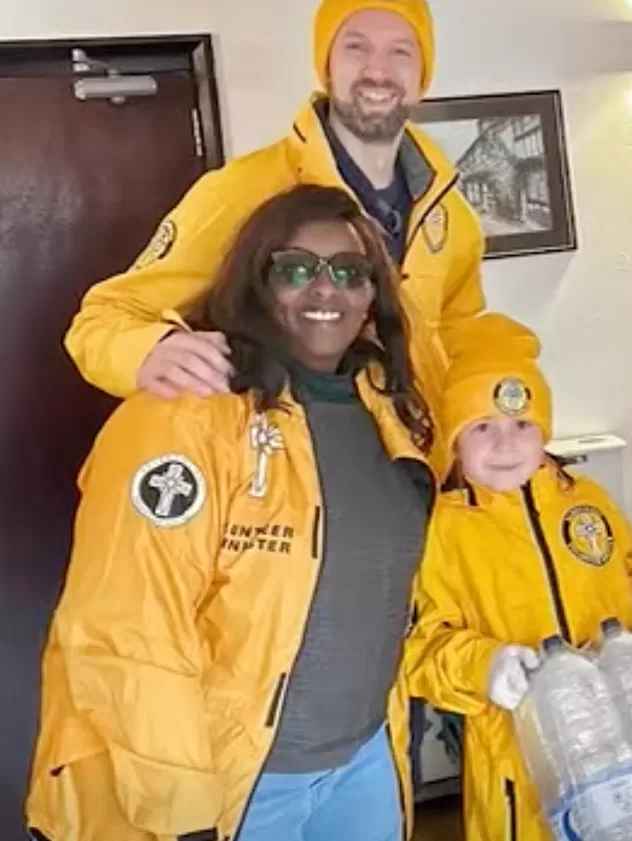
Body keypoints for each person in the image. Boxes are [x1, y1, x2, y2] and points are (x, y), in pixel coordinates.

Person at [27, 186, 442, 841]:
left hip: (362, 760)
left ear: (373, 296)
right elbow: (126, 631)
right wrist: (182, 815)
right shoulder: (183, 413)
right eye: (296, 268)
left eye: (350, 271)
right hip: (233, 782)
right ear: (256, 282)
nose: (325, 289)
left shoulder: (389, 412)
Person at [63, 0, 530, 422]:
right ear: (326, 65)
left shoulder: (452, 217)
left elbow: (458, 344)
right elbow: (102, 320)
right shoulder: (242, 190)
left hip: (408, 481)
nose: (378, 70)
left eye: (401, 52)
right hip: (278, 485)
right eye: (356, 47)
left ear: (422, 75)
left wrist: (488, 420)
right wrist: (150, 351)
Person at [403, 316, 632, 841]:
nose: (505, 443)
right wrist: (484, 666)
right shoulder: (441, 530)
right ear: (455, 438)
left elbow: (630, 565)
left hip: (620, 737)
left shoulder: (587, 499)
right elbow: (420, 648)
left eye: (522, 424)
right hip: (517, 763)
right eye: (482, 426)